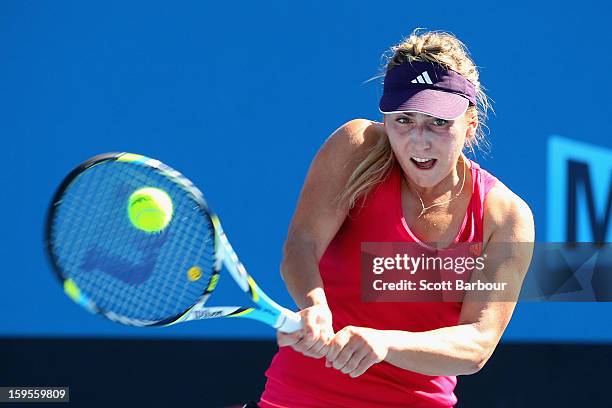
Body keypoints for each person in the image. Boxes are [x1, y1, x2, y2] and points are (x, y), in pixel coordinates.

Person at [257, 29, 535, 408]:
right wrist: (314, 305)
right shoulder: (356, 147)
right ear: (386, 121)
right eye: (404, 120)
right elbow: (301, 246)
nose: (419, 140)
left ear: (470, 126)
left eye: (438, 122)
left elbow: (477, 342)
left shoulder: (505, 216)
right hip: (297, 397)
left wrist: (384, 342)